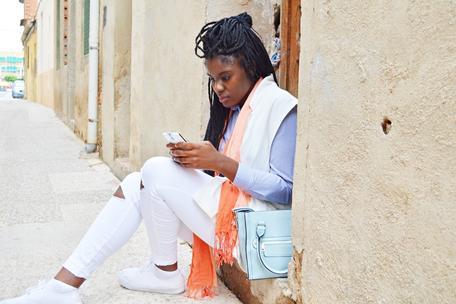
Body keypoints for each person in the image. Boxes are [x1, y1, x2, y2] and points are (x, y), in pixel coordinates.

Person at [0, 12, 297, 304]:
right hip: (230, 223)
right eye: (213, 79)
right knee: (134, 184)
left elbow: (287, 191)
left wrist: (220, 163)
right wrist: (198, 160)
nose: (218, 87)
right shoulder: (233, 111)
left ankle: (160, 274)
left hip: (256, 236)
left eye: (226, 77)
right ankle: (69, 285)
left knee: (155, 169)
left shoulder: (280, 106)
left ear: (251, 67)